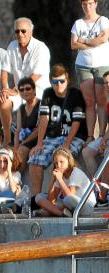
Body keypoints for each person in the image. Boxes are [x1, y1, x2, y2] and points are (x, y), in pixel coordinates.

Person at [28, 64, 87, 196]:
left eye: (62, 81)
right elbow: (44, 119)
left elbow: (76, 122)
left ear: (68, 80)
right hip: (52, 136)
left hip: (74, 136)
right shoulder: (47, 93)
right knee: (35, 160)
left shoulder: (75, 94)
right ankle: (35, 199)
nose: (59, 84)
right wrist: (39, 143)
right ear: (51, 82)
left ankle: (71, 196)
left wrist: (66, 144)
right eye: (55, 81)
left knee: (64, 161)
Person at [0, 17, 51, 145]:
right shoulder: (12, 46)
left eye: (23, 31)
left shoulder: (41, 48)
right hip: (20, 93)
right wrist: (5, 90)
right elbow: (4, 71)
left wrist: (17, 89)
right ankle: (7, 141)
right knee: (4, 102)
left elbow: (37, 75)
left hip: (39, 93)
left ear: (31, 31)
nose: (20, 34)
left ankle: (35, 142)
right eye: (17, 31)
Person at [71, 0, 109, 143]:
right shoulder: (78, 23)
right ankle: (90, 135)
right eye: (84, 4)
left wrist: (83, 40)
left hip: (102, 65)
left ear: (96, 4)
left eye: (90, 4)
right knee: (89, 101)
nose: (87, 7)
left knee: (102, 100)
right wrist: (93, 41)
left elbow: (103, 39)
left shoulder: (103, 21)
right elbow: (73, 45)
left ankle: (102, 135)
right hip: (83, 66)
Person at [35, 147, 96, 217]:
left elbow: (69, 195)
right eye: (56, 163)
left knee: (68, 199)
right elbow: (51, 200)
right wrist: (53, 180)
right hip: (68, 205)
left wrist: (60, 179)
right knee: (39, 197)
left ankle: (52, 211)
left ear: (69, 161)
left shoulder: (76, 172)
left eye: (61, 162)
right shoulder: (60, 175)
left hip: (85, 206)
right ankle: (61, 214)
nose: (58, 165)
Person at [81, 70, 109, 207]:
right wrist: (103, 137)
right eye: (105, 83)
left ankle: (103, 196)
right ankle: (97, 188)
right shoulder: (106, 99)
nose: (108, 85)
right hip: (107, 137)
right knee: (86, 152)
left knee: (107, 154)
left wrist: (104, 141)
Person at [14, 77, 40, 173]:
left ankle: (16, 181)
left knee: (21, 151)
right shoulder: (21, 108)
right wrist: (16, 148)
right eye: (21, 89)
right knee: (13, 153)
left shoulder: (41, 105)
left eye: (28, 88)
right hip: (24, 141)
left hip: (38, 139)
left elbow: (39, 130)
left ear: (34, 90)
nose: (25, 92)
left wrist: (22, 143)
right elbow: (18, 130)